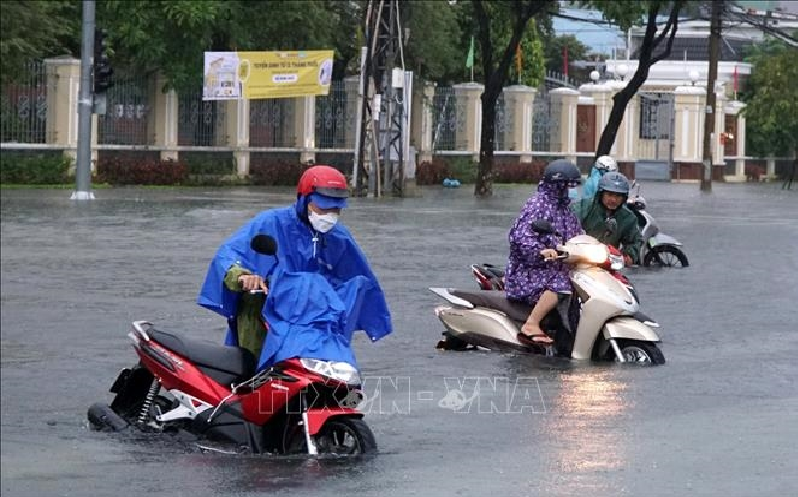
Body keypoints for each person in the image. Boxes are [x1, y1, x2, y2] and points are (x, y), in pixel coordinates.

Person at [197, 165, 392, 365]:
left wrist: (375, 321)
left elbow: (360, 278)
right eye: (323, 207)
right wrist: (242, 276)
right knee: (252, 370)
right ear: (304, 199)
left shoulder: (339, 239)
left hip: (314, 325)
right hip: (266, 316)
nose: (329, 214)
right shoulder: (270, 223)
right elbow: (230, 254)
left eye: (336, 209)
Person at [506, 159, 584, 346]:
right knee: (563, 284)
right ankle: (531, 324)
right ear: (556, 185)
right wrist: (541, 251)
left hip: (557, 266)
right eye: (566, 185)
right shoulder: (537, 205)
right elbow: (520, 236)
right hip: (529, 270)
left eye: (571, 186)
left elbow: (578, 234)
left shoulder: (565, 210)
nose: (569, 190)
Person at [571, 171, 643, 266]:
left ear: (624, 198)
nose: (613, 200)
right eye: (609, 194)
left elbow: (634, 241)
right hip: (578, 260)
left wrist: (628, 256)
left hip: (608, 262)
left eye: (618, 196)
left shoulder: (628, 218)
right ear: (601, 194)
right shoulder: (583, 207)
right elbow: (568, 226)